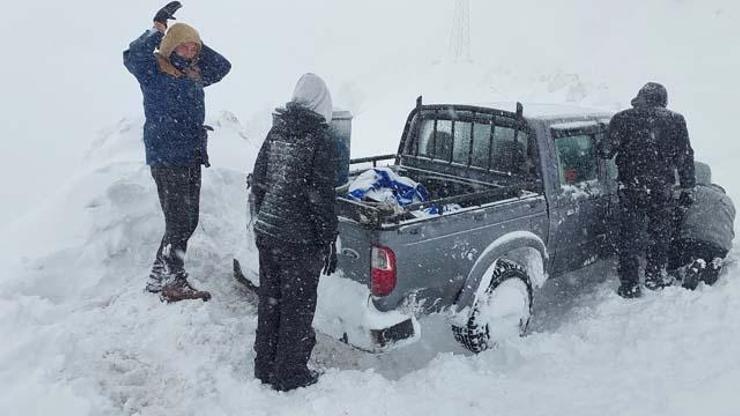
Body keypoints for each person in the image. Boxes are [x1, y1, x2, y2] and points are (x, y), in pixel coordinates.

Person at [123, 2, 232, 303]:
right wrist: (159, 29)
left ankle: (160, 275)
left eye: (192, 48)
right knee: (179, 221)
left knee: (188, 219)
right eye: (181, 47)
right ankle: (173, 281)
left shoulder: (194, 75)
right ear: (169, 47)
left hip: (191, 154)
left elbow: (223, 66)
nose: (188, 52)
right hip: (166, 155)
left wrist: (193, 39)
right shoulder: (154, 71)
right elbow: (132, 57)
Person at [251, 73, 339, 391]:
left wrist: (262, 218)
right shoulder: (320, 138)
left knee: (271, 301)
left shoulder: (278, 130)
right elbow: (321, 196)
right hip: (299, 240)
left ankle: (265, 364)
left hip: (269, 233)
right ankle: (289, 373)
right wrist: (328, 237)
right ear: (321, 103)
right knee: (297, 307)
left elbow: (258, 180)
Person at [600, 82, 696, 299]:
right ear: (663, 100)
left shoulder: (623, 118)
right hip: (662, 189)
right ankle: (654, 277)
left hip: (631, 187)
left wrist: (606, 143)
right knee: (660, 235)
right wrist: (688, 186)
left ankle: (630, 284)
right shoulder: (676, 120)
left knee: (629, 236)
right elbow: (685, 156)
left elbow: (606, 151)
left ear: (640, 97)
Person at [669, 163, 735, 290]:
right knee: (710, 252)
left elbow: (676, 218)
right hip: (719, 246)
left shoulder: (694, 192)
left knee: (677, 259)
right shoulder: (728, 201)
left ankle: (690, 266)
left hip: (692, 241)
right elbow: (730, 233)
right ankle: (715, 261)